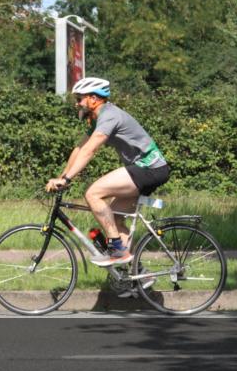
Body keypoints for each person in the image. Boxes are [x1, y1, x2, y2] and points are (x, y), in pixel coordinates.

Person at [46, 77, 170, 266]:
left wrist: (68, 179)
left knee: (93, 193)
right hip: (145, 169)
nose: (77, 104)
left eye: (80, 99)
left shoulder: (109, 115)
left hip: (149, 168)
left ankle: (117, 249)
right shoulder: (98, 119)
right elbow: (80, 148)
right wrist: (62, 176)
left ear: (93, 99)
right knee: (116, 220)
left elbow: (90, 150)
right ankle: (136, 276)